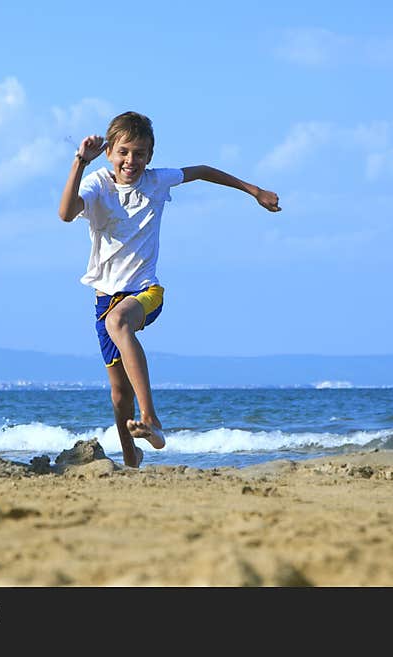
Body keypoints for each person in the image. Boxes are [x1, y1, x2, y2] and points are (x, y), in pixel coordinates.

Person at [58, 111, 281, 468]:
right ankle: (133, 456)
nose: (132, 160)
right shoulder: (98, 183)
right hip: (104, 296)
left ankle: (151, 417)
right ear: (110, 152)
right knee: (118, 394)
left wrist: (254, 191)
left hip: (145, 292)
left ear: (150, 156)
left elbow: (204, 171)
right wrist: (80, 162)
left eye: (141, 153)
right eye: (125, 152)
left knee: (119, 322)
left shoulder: (157, 181)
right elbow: (66, 212)